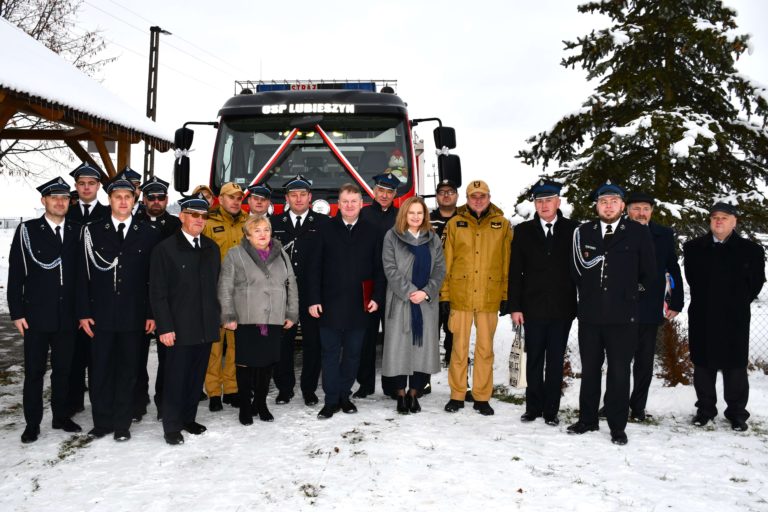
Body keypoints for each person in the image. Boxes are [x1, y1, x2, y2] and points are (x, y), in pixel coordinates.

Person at [568, 180, 655, 446]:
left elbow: (649, 274)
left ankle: (618, 426)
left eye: (613, 202)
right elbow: (576, 272)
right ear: (597, 206)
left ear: (621, 206)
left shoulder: (637, 233)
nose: (608, 206)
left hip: (623, 318)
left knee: (619, 372)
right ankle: (587, 419)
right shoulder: (584, 232)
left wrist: (629, 298)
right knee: (591, 370)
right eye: (603, 202)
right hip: (591, 317)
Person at [77, 175, 162, 441]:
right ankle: (102, 422)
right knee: (100, 370)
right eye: (117, 197)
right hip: (99, 314)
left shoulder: (148, 233)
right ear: (109, 200)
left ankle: (123, 423)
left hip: (133, 315)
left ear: (135, 200)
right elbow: (82, 276)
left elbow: (153, 279)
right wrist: (82, 312)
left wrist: (151, 313)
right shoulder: (92, 231)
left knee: (128, 371)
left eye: (128, 197)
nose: (123, 201)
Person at [598, 191, 684, 422]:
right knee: (618, 361)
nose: (641, 213)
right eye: (636, 208)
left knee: (644, 363)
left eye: (646, 208)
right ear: (627, 210)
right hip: (620, 308)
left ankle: (637, 407)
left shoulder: (663, 234)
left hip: (649, 307)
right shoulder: (617, 231)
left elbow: (672, 267)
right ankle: (613, 405)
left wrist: (676, 300)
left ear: (652, 211)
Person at [8, 178, 81, 443]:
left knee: (64, 370)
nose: (60, 202)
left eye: (64, 198)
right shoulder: (28, 230)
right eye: (54, 198)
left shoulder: (76, 230)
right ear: (44, 201)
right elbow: (16, 273)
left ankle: (60, 416)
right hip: (36, 315)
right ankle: (32, 423)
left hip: (68, 316)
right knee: (34, 372)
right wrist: (17, 312)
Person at [683, 202, 765, 431]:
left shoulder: (751, 250)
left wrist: (735, 301)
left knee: (735, 366)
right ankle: (705, 410)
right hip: (702, 314)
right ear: (710, 221)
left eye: (725, 217)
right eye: (715, 217)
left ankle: (737, 413)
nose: (719, 221)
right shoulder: (693, 248)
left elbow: (755, 284)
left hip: (735, 316)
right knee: (702, 364)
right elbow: (693, 280)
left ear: (734, 222)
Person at [307, 183, 385, 419]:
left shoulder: (373, 232)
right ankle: (331, 400)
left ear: (362, 204)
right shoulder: (324, 230)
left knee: (353, 354)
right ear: (337, 205)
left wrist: (377, 298)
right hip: (329, 305)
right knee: (329, 354)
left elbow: (379, 270)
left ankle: (344, 395)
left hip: (360, 306)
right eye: (345, 202)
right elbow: (314, 269)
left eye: (354, 201)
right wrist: (313, 299)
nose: (349, 206)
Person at [149, 194, 221, 445]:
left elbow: (215, 287)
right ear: (182, 216)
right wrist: (165, 328)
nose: (199, 220)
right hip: (178, 328)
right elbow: (157, 294)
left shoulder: (212, 248)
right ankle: (171, 426)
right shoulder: (165, 250)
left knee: (195, 377)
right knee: (175, 379)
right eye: (194, 215)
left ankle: (188, 419)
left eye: (203, 216)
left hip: (205, 325)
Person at [507, 179, 578, 426]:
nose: (544, 205)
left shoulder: (573, 230)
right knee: (534, 358)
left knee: (555, 360)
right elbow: (515, 272)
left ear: (558, 202)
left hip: (562, 308)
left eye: (548, 200)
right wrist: (514, 306)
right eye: (539, 201)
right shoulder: (524, 231)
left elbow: (580, 271)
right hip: (532, 308)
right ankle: (533, 408)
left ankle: (551, 411)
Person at [440, 180, 512, 416]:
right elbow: (445, 263)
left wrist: (505, 295)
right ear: (467, 199)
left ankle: (482, 396)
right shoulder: (454, 224)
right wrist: (445, 295)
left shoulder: (502, 225)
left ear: (489, 197)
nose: (478, 200)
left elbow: (507, 263)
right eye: (474, 196)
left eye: (482, 196)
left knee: (484, 349)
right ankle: (457, 394)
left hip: (488, 297)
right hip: (460, 296)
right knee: (458, 349)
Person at [218, 215, 298, 425]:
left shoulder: (280, 254)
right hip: (246, 318)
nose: (263, 234)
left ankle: (260, 404)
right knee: (245, 364)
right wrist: (228, 315)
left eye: (266, 230)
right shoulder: (235, 254)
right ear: (247, 235)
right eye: (257, 231)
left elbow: (291, 284)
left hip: (273, 317)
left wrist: (291, 313)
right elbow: (225, 286)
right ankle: (245, 406)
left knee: (266, 364)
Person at [381, 197, 445, 414]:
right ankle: (400, 393)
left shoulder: (432, 239)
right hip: (400, 300)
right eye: (411, 213)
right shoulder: (392, 236)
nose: (416, 217)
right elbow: (389, 268)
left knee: (421, 349)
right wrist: (409, 292)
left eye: (420, 213)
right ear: (404, 215)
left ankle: (414, 393)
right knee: (399, 348)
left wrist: (426, 292)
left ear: (425, 215)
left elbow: (439, 269)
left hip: (425, 302)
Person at [271, 174, 329, 406]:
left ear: (310, 197)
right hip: (283, 293)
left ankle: (309, 389)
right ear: (286, 198)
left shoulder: (324, 223)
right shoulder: (275, 223)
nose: (298, 199)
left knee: (313, 343)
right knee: (282, 342)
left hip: (312, 293)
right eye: (293, 195)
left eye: (302, 194)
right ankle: (284, 388)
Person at [133, 176, 182, 421]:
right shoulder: (132, 223)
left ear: (166, 200)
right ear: (142, 200)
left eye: (160, 197)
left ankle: (164, 401)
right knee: (137, 355)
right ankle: (138, 401)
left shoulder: (176, 225)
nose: (155, 201)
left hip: (169, 301)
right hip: (139, 300)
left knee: (168, 357)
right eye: (150, 197)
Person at [66, 162, 108, 416]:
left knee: (98, 356)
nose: (86, 187)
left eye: (91, 183)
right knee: (73, 354)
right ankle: (72, 403)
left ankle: (100, 405)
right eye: (81, 183)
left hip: (99, 294)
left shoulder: (106, 214)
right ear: (76, 187)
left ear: (98, 187)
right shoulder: (66, 214)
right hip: (69, 294)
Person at [202, 182, 247, 412]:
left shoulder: (247, 222)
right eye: (231, 197)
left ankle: (231, 389)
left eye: (239, 198)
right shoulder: (208, 223)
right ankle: (213, 392)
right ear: (220, 199)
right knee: (215, 345)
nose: (236, 201)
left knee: (236, 345)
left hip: (240, 294)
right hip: (216, 293)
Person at [356, 172, 400, 399]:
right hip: (369, 284)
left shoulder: (401, 217)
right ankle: (365, 384)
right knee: (366, 337)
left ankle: (392, 386)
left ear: (395, 195)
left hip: (393, 285)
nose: (384, 195)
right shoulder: (362, 214)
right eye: (381, 190)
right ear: (374, 191)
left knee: (392, 338)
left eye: (389, 192)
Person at [430, 179, 459, 366]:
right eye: (442, 192)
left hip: (457, 283)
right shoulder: (426, 219)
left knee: (455, 333)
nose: (446, 195)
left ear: (456, 195)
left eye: (450, 191)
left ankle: (455, 371)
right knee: (430, 332)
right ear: (436, 196)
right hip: (432, 284)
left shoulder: (465, 219)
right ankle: (424, 379)